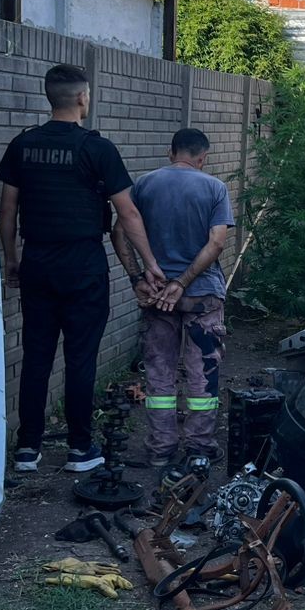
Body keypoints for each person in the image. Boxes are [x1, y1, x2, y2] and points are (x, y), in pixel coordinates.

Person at [0, 63, 163, 473]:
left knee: (37, 356)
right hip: (83, 266)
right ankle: (79, 448)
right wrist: (151, 265)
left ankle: (27, 449)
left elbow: (7, 210)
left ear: (49, 97)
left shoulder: (23, 144)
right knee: (81, 357)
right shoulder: (97, 148)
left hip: (37, 261)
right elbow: (128, 214)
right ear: (83, 98)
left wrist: (11, 260)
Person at [112, 128, 234, 469]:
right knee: (202, 371)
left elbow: (119, 231)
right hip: (202, 295)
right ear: (203, 158)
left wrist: (138, 277)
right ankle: (199, 448)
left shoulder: (144, 184)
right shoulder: (214, 188)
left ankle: (160, 449)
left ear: (171, 152)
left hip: (155, 294)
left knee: (160, 373)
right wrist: (183, 282)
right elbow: (217, 243)